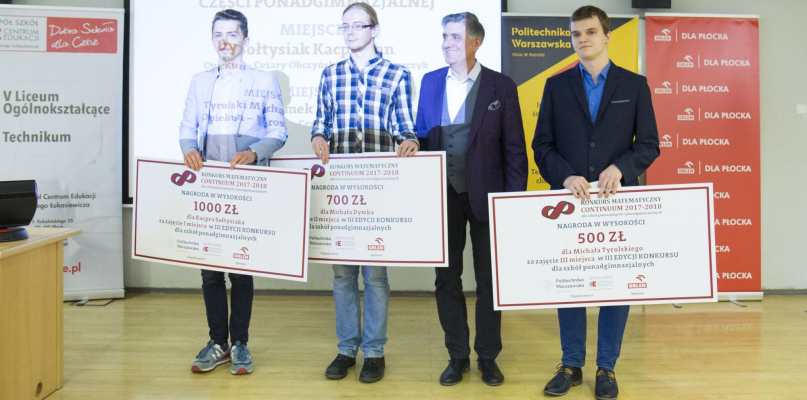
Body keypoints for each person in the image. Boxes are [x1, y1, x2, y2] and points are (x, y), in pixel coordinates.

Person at [532, 5, 660, 399]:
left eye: (590, 32)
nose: (582, 39)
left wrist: (621, 168)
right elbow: (542, 145)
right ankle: (571, 365)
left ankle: (607, 368)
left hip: (617, 202)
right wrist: (565, 176)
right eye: (576, 33)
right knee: (570, 283)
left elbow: (649, 145)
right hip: (570, 202)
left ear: (607, 36)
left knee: (616, 287)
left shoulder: (635, 85)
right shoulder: (556, 86)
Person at [415, 12, 528, 387]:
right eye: (444, 36)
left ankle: (488, 357)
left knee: (489, 281)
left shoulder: (501, 86)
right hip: (442, 196)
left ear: (476, 42)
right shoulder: (430, 82)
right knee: (446, 279)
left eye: (454, 36)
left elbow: (515, 150)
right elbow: (421, 136)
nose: (446, 43)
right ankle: (457, 355)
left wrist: (512, 206)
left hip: (488, 197)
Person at [310, 3, 419, 383]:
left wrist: (409, 140)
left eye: (358, 26)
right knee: (343, 276)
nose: (351, 32)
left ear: (374, 29)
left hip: (378, 189)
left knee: (374, 277)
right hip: (341, 188)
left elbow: (404, 125)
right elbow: (321, 121)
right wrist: (318, 135)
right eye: (345, 26)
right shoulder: (330, 74)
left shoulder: (397, 74)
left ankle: (374, 352)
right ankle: (346, 350)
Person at [178, 9, 288, 375]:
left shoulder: (264, 79)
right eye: (218, 34)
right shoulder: (199, 81)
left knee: (241, 269)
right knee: (211, 271)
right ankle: (217, 343)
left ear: (245, 39)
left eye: (232, 34)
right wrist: (188, 148)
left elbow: (278, 130)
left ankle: (240, 343)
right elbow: (187, 127)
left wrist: (255, 151)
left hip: (246, 185)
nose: (224, 41)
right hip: (208, 185)